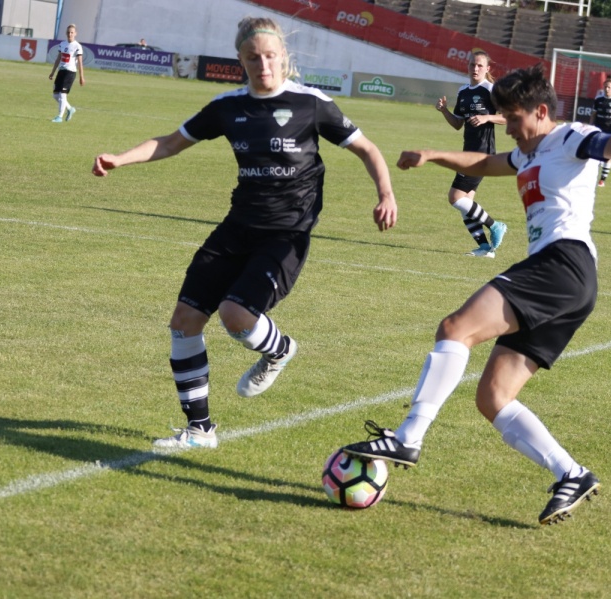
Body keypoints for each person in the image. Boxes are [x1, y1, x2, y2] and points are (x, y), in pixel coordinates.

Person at [342, 64, 611, 525]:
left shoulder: (572, 137)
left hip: (562, 265)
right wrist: (433, 155)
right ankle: (571, 474)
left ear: (541, 111)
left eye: (514, 119)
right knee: (493, 397)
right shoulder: (529, 152)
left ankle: (409, 437)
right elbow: (487, 164)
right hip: (571, 282)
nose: (509, 129)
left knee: (456, 329)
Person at [92, 16, 398, 449]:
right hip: (237, 228)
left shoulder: (311, 104)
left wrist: (386, 194)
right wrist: (120, 159)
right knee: (184, 323)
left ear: (284, 58)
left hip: (286, 234)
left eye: (270, 56)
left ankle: (279, 349)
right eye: (253, 57)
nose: (263, 65)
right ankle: (200, 431)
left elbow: (366, 148)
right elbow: (171, 142)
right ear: (241, 60)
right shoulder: (228, 107)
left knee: (235, 316)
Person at [435, 50, 508, 258]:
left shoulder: (491, 90)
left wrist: (487, 118)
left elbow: (508, 117)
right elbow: (458, 124)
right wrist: (444, 111)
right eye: (472, 65)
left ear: (487, 69)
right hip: (468, 151)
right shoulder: (463, 91)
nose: (475, 69)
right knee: (465, 202)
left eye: (479, 65)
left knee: (455, 197)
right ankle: (485, 249)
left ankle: (495, 226)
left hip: (482, 152)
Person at [590, 74, 611, 185]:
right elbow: (593, 114)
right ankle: (593, 176)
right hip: (597, 130)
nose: (607, 89)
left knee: (607, 154)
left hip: (609, 130)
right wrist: (590, 127)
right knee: (595, 154)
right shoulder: (598, 100)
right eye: (605, 86)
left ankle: (602, 179)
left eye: (609, 87)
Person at [48, 24, 85, 123]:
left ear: (75, 33)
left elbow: (80, 62)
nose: (70, 34)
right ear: (66, 33)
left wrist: (81, 77)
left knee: (62, 95)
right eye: (68, 32)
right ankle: (70, 109)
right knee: (55, 95)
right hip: (61, 71)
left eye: (72, 32)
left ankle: (59, 116)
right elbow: (58, 58)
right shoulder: (62, 44)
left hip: (70, 72)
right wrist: (52, 72)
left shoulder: (77, 46)